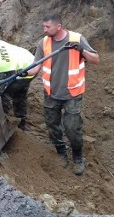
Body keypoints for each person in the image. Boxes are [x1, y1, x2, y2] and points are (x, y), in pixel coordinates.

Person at [24, 13, 100, 175]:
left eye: (47, 27)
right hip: (51, 94)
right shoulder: (43, 43)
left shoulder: (77, 39)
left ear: (58, 27)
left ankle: (78, 156)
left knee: (72, 128)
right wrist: (23, 73)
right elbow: (35, 67)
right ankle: (61, 152)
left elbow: (95, 60)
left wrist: (82, 51)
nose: (44, 30)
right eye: (43, 26)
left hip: (72, 94)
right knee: (52, 126)